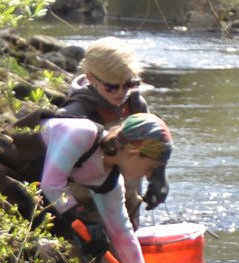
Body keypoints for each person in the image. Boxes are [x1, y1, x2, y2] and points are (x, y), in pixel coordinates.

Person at [37, 113, 179, 263]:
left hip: (38, 194)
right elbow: (51, 184)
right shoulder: (82, 134)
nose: (148, 175)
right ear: (133, 153)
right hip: (8, 167)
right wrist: (82, 221)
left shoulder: (110, 182)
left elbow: (122, 233)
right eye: (150, 168)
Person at [57, 37, 164, 230]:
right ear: (91, 78)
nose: (121, 92)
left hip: (128, 197)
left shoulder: (135, 103)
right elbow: (55, 179)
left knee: (129, 238)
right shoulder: (75, 114)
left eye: (129, 84)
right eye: (112, 87)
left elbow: (153, 146)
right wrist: (74, 218)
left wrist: (158, 176)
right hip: (87, 203)